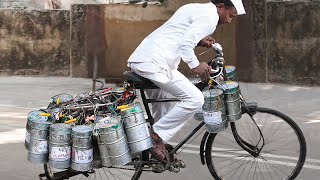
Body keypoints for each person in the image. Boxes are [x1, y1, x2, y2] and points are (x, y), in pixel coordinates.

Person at [127, 0, 246, 163]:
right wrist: (196, 65)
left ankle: (154, 141)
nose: (229, 21)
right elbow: (185, 44)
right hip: (155, 63)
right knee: (196, 99)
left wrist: (199, 41)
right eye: (230, 16)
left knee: (163, 102)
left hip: (147, 58)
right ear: (220, 7)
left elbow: (179, 33)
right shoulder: (210, 18)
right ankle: (155, 135)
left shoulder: (195, 7)